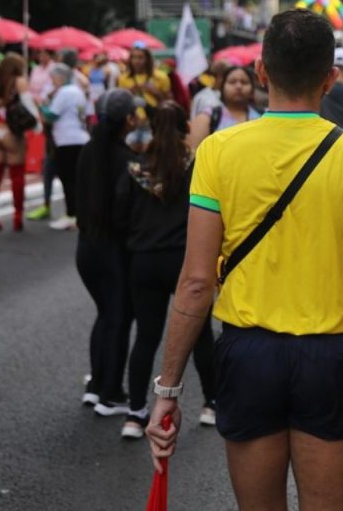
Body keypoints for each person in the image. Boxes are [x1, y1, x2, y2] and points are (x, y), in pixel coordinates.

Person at [146, 9, 343, 510]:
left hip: (248, 355)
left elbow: (197, 282)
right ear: (330, 78)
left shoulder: (217, 152)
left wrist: (168, 389)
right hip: (329, 357)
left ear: (262, 72)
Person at [114, 101, 216, 439]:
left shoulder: (136, 169)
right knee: (200, 334)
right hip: (183, 259)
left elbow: (122, 216)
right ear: (187, 128)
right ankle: (211, 403)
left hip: (143, 260)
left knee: (146, 335)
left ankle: (135, 412)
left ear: (152, 128)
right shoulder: (195, 166)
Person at [75, 89, 141, 416]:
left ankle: (96, 385)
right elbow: (124, 210)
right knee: (118, 316)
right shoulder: (126, 158)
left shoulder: (89, 150)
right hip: (113, 249)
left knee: (104, 313)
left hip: (86, 247)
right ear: (128, 119)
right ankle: (111, 393)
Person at [0, 53, 37, 233]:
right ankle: (17, 217)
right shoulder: (19, 82)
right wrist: (37, 127)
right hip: (13, 132)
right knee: (17, 175)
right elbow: (30, 107)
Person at [41, 64, 89, 231]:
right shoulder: (77, 91)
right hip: (79, 138)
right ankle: (79, 214)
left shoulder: (64, 92)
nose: (52, 83)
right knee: (77, 179)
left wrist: (41, 105)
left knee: (68, 180)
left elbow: (51, 115)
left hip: (66, 141)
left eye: (53, 79)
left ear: (60, 78)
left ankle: (72, 214)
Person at [188, 65, 260, 150]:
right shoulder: (207, 116)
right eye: (232, 82)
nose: (238, 86)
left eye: (244, 82)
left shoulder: (262, 116)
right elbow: (195, 153)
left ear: (252, 89)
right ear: (222, 87)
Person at [119, 46, 171, 118]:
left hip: (156, 119)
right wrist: (129, 92)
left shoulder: (161, 77)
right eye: (133, 57)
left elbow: (169, 102)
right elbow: (120, 103)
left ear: (148, 59)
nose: (136, 61)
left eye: (140, 57)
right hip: (133, 122)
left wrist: (156, 93)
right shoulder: (123, 78)